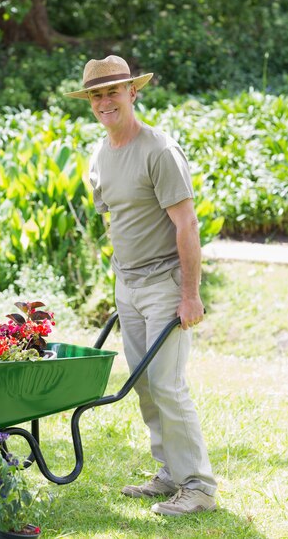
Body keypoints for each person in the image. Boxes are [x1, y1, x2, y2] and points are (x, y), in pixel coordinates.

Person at [65, 55, 217, 516]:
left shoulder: (159, 150)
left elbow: (186, 225)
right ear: (90, 103)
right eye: (96, 94)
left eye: (113, 91)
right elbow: (116, 219)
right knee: (144, 385)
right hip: (127, 285)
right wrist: (118, 279)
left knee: (167, 385)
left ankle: (200, 487)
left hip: (165, 284)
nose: (105, 101)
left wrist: (189, 294)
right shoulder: (100, 155)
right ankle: (171, 471)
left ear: (134, 92)